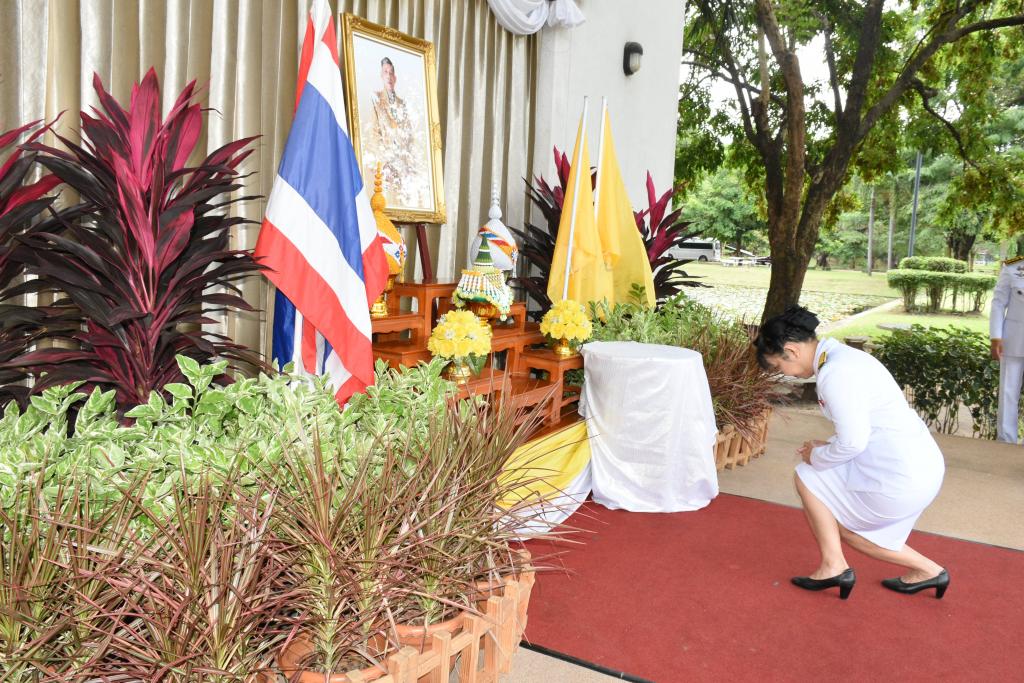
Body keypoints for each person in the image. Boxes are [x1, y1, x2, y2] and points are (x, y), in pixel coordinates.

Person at [753, 306, 949, 600]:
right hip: (919, 464)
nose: (785, 375)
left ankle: (919, 569)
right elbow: (862, 427)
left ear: (792, 351)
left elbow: (854, 443)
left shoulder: (835, 373)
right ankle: (844, 566)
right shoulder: (844, 357)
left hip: (901, 476)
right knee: (810, 475)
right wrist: (824, 447)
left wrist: (815, 455)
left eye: (779, 367)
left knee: (848, 527)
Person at [364, 56, 424, 207]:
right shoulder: (376, 99)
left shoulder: (402, 104)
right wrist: (385, 164)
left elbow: (409, 137)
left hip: (403, 171)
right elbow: (373, 135)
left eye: (391, 73)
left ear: (395, 77)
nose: (389, 76)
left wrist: (409, 165)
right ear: (381, 76)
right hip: (385, 170)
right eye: (385, 72)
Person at [989, 254, 1024, 443]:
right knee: (1008, 393)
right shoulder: (1013, 267)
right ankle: (1006, 441)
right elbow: (998, 303)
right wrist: (996, 337)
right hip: (1014, 339)